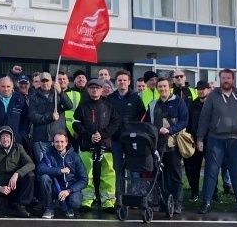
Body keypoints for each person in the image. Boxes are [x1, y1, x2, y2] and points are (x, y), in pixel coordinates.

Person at [196, 69, 237, 215]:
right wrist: (200, 138)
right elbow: (204, 118)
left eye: (228, 78)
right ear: (220, 79)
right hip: (216, 140)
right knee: (211, 172)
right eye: (223, 78)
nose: (226, 80)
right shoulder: (212, 97)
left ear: (233, 79)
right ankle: (207, 202)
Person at [73, 79, 121, 211]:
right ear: (88, 90)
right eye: (92, 87)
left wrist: (103, 134)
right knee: (87, 174)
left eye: (97, 88)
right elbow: (75, 124)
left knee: (108, 174)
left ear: (102, 89)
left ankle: (108, 202)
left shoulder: (109, 106)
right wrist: (89, 135)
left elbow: (116, 123)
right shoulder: (82, 107)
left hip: (106, 146)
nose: (95, 90)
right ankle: (87, 200)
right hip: (86, 146)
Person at [149, 78, 189, 213]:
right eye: (160, 87)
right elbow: (149, 123)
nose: (162, 89)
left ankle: (177, 203)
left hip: (173, 144)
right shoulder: (153, 104)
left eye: (165, 86)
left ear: (169, 87)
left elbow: (184, 121)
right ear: (157, 88)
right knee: (159, 175)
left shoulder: (179, 102)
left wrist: (170, 130)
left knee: (175, 175)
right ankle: (162, 202)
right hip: (157, 146)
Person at [0, 126, 35, 217]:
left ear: (12, 138)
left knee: (30, 175)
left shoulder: (19, 148)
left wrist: (17, 173)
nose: (5, 139)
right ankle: (4, 207)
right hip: (0, 183)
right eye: (3, 137)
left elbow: (31, 164)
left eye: (7, 136)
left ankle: (20, 205)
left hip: (15, 184)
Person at [107, 70, 144, 201]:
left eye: (124, 80)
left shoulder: (136, 98)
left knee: (134, 168)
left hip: (132, 139)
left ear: (129, 82)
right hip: (116, 140)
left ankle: (135, 196)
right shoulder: (110, 99)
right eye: (119, 80)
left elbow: (142, 118)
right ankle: (120, 197)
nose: (122, 82)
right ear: (116, 82)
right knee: (118, 169)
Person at [36, 133, 87, 219]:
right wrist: (59, 171)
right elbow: (40, 169)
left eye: (62, 141)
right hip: (54, 189)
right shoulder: (49, 155)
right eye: (57, 142)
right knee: (44, 178)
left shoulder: (75, 156)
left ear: (67, 143)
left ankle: (69, 206)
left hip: (70, 190)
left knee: (75, 202)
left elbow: (84, 180)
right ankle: (49, 207)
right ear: (53, 143)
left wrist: (69, 190)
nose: (59, 144)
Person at [28, 72, 74, 160]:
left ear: (51, 81)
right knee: (43, 166)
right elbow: (33, 117)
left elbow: (69, 106)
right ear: (40, 82)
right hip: (41, 139)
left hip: (57, 138)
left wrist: (61, 92)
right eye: (43, 81)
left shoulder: (58, 94)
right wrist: (50, 117)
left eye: (47, 80)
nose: (45, 83)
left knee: (59, 165)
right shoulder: (33, 97)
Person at [0, 77, 30, 151]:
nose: (6, 89)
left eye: (8, 86)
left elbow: (26, 120)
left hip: (16, 142)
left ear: (12, 86)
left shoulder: (20, 100)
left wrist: (22, 136)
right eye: (3, 86)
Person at [184, 80, 211, 203]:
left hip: (210, 141)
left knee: (211, 168)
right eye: (199, 89)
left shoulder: (213, 104)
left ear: (208, 89)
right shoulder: (192, 104)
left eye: (203, 88)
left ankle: (212, 193)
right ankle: (194, 192)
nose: (201, 91)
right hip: (195, 141)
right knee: (194, 168)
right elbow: (188, 123)